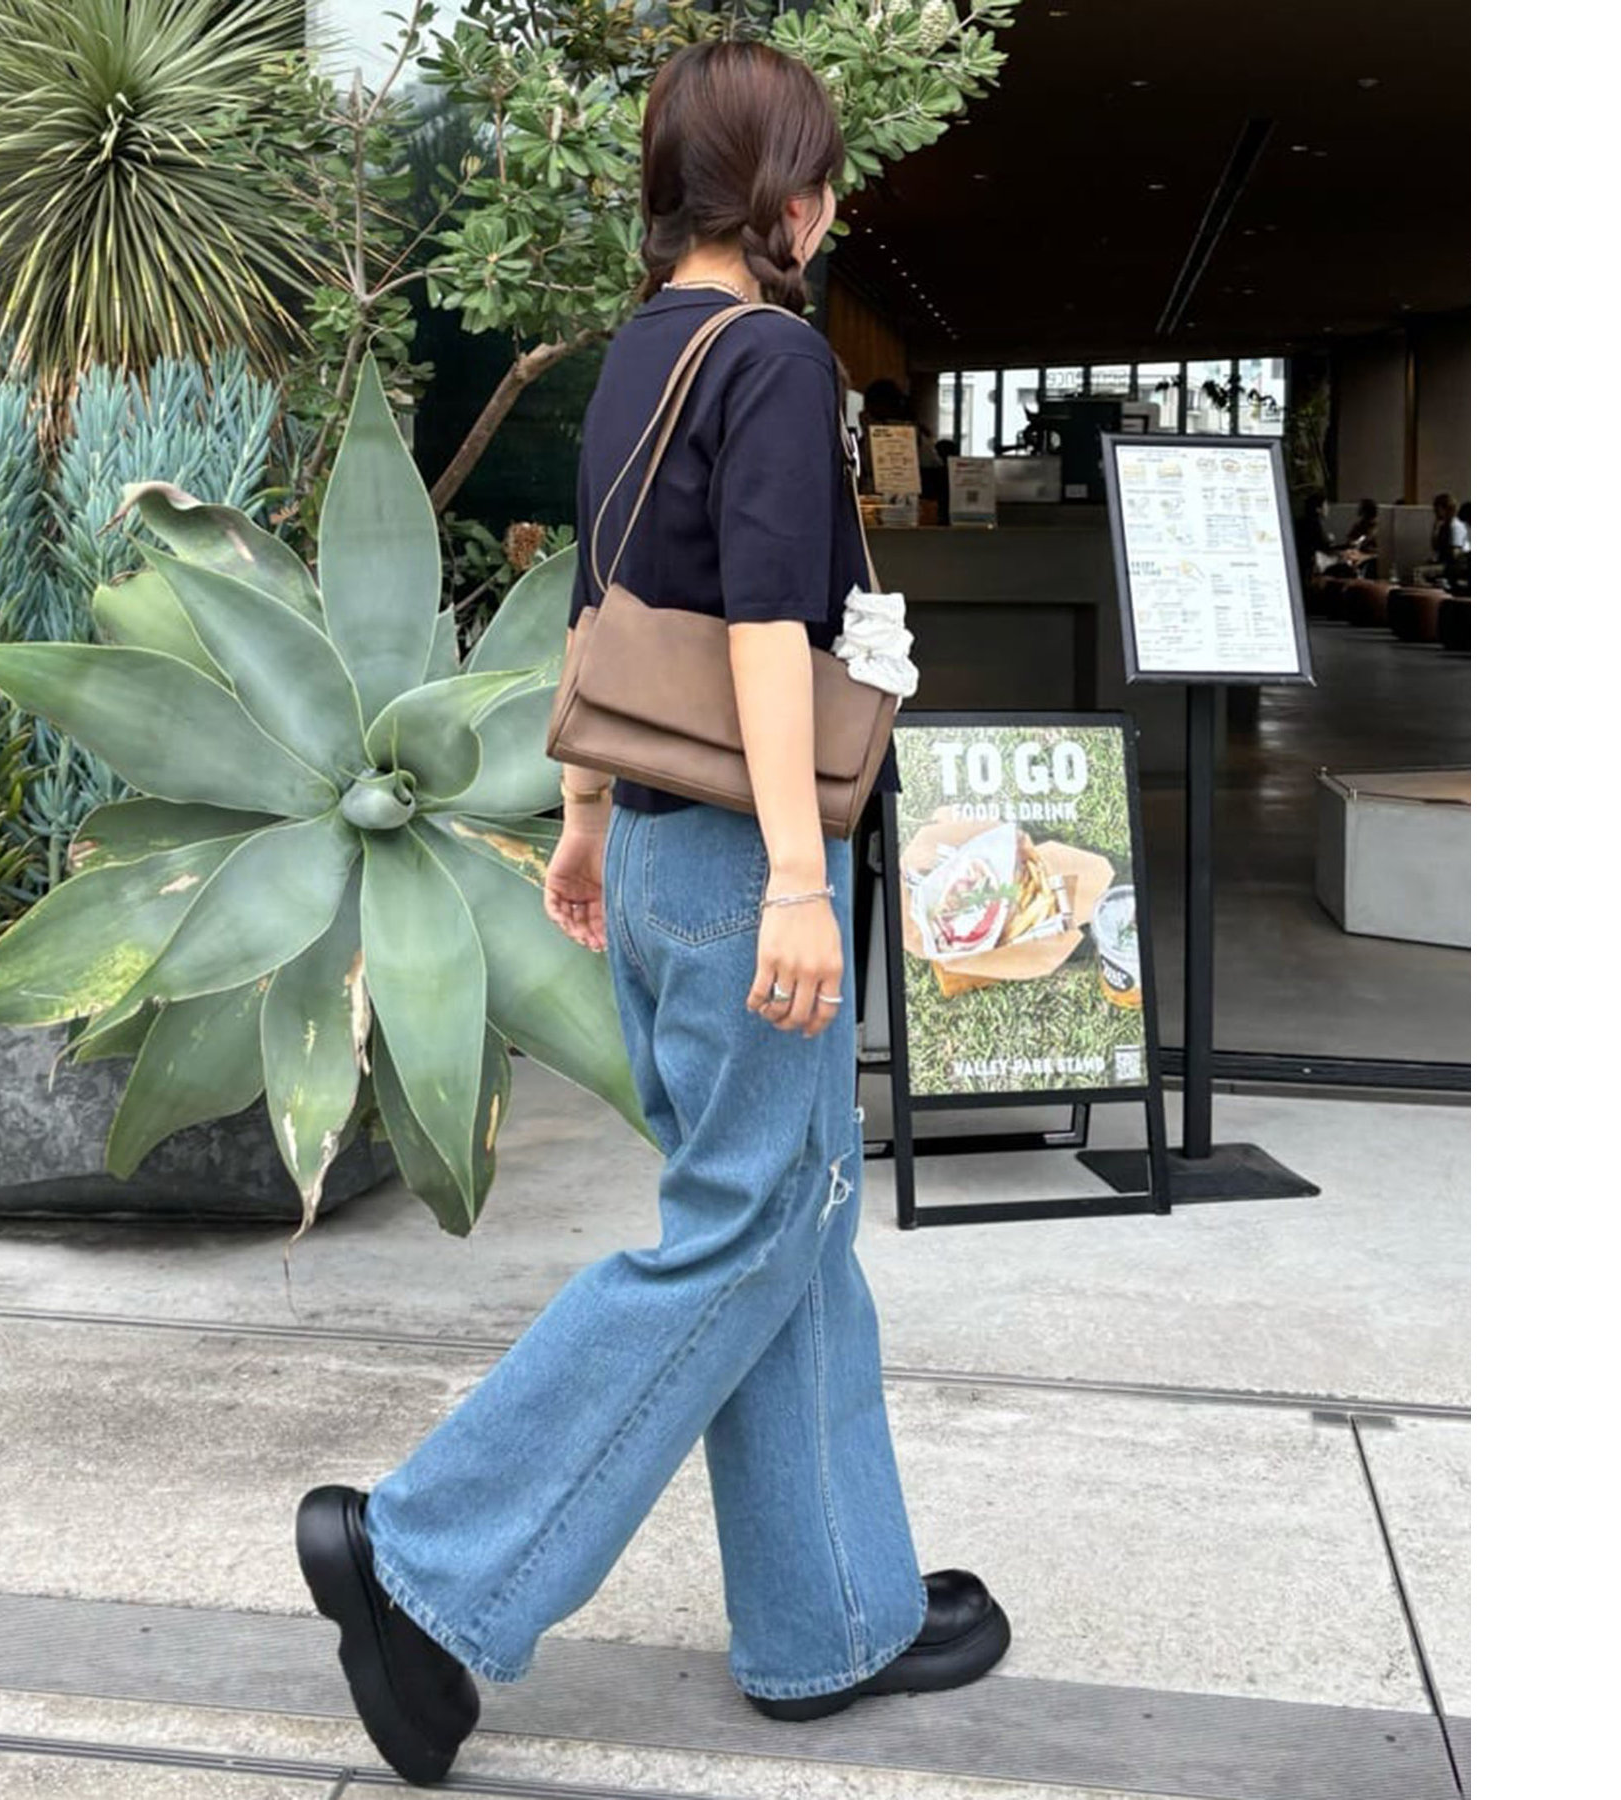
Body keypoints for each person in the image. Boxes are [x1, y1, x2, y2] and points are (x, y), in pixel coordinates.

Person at [294, 38, 1009, 1791]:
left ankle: (831, 1616)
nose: (828, 209)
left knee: (789, 1223)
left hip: (662, 858)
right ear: (779, 199)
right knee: (739, 1233)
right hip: (750, 864)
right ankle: (426, 1564)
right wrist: (798, 878)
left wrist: (589, 819)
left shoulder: (642, 355)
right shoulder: (770, 356)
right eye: (819, 178)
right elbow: (761, 625)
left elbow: (604, 611)